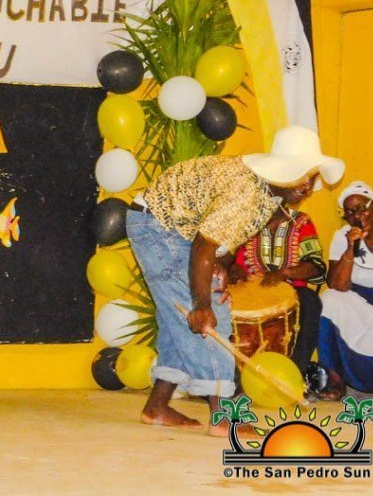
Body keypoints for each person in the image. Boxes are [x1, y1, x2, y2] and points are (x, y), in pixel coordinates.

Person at [125, 125, 343, 435]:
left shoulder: (269, 196)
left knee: (183, 319)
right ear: (280, 171)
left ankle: (156, 406)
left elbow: (224, 237)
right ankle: (223, 417)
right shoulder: (246, 193)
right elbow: (203, 245)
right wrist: (202, 303)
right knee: (208, 317)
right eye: (301, 175)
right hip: (159, 227)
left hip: (177, 229)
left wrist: (223, 266)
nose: (308, 185)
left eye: (312, 176)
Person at [318, 181, 373, 407]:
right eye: (350, 212)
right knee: (328, 300)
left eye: (362, 208)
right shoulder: (343, 236)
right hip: (361, 300)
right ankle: (335, 379)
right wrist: (350, 248)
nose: (357, 216)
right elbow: (337, 285)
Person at [231, 205, 326, 371]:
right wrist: (234, 269)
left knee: (310, 301)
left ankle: (295, 371)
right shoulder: (246, 220)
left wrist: (285, 273)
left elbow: (315, 265)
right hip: (249, 293)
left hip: (291, 292)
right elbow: (229, 259)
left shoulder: (301, 222)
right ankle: (236, 375)